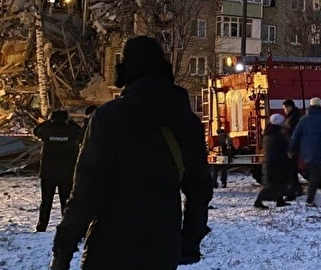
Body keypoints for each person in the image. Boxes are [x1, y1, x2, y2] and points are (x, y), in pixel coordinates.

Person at [50, 36, 212, 270]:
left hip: (110, 247)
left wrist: (63, 249)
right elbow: (200, 190)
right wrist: (189, 241)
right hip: (162, 248)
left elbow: (86, 191)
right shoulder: (187, 122)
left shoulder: (108, 118)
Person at [33, 109, 83, 232]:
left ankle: (42, 225)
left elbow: (36, 131)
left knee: (46, 201)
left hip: (48, 172)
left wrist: (48, 122)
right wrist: (71, 123)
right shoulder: (71, 130)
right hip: (66, 172)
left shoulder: (47, 130)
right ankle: (66, 224)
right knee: (66, 201)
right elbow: (82, 134)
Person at [289, 98, 321, 207]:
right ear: (320, 106)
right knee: (315, 177)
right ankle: (309, 200)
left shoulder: (304, 120)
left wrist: (291, 149)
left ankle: (309, 198)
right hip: (320, 151)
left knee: (313, 174)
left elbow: (295, 136)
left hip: (306, 152)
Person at [254, 113, 291, 209]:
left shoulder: (269, 132)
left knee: (279, 182)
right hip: (274, 162)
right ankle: (258, 202)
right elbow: (281, 145)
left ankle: (280, 200)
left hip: (273, 161)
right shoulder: (275, 134)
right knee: (271, 184)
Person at [282, 99, 303, 200]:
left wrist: (290, 148)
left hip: (292, 147)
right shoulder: (293, 116)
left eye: (285, 108)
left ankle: (292, 193)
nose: (284, 110)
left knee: (290, 170)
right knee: (292, 170)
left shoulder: (293, 118)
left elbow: (292, 135)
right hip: (292, 147)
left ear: (289, 107)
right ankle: (297, 190)